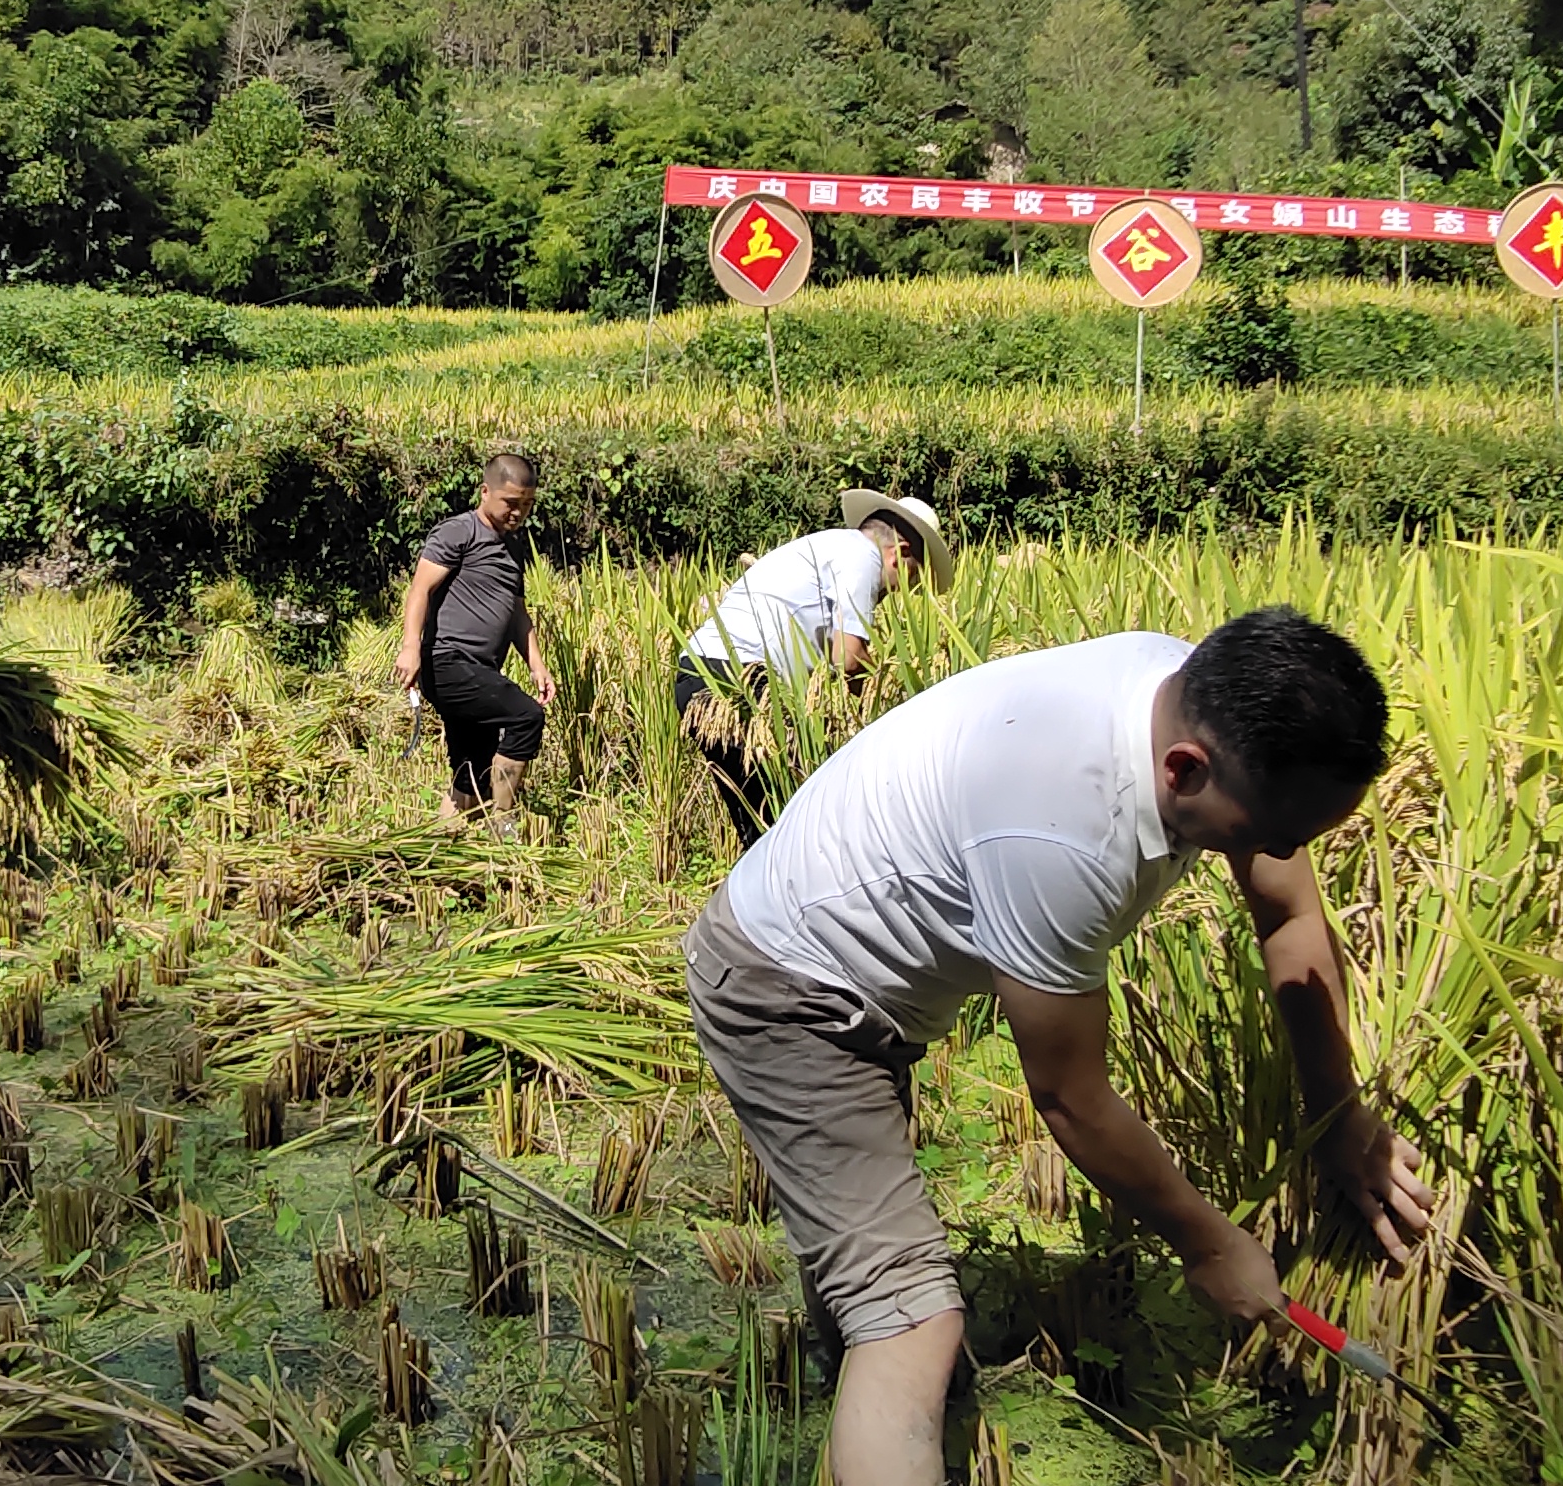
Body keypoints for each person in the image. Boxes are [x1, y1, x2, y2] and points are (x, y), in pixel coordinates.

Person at [682, 609, 1431, 1486]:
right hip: (787, 993)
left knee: (874, 1279)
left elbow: (1291, 916)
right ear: (1184, 770)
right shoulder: (1061, 825)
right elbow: (1074, 1101)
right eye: (1264, 835)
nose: (1279, 856)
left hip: (852, 968)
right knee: (913, 1327)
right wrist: (1209, 1244)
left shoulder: (1201, 697)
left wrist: (1339, 1114)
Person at [675, 490, 955, 846]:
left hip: (695, 675)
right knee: (795, 815)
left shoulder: (824, 548)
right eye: (911, 578)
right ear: (899, 554)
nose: (900, 592)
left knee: (761, 824)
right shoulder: (861, 557)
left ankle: (759, 895)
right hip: (739, 678)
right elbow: (848, 659)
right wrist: (896, 699)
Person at [394, 453, 558, 834]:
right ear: (485, 492)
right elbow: (420, 589)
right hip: (449, 662)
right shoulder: (459, 532)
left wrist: (537, 664)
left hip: (481, 669)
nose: (518, 513)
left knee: (472, 768)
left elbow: (517, 613)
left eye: (527, 505)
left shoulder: (513, 546)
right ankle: (502, 824)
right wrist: (409, 646)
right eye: (511, 503)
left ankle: (441, 849)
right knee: (525, 717)